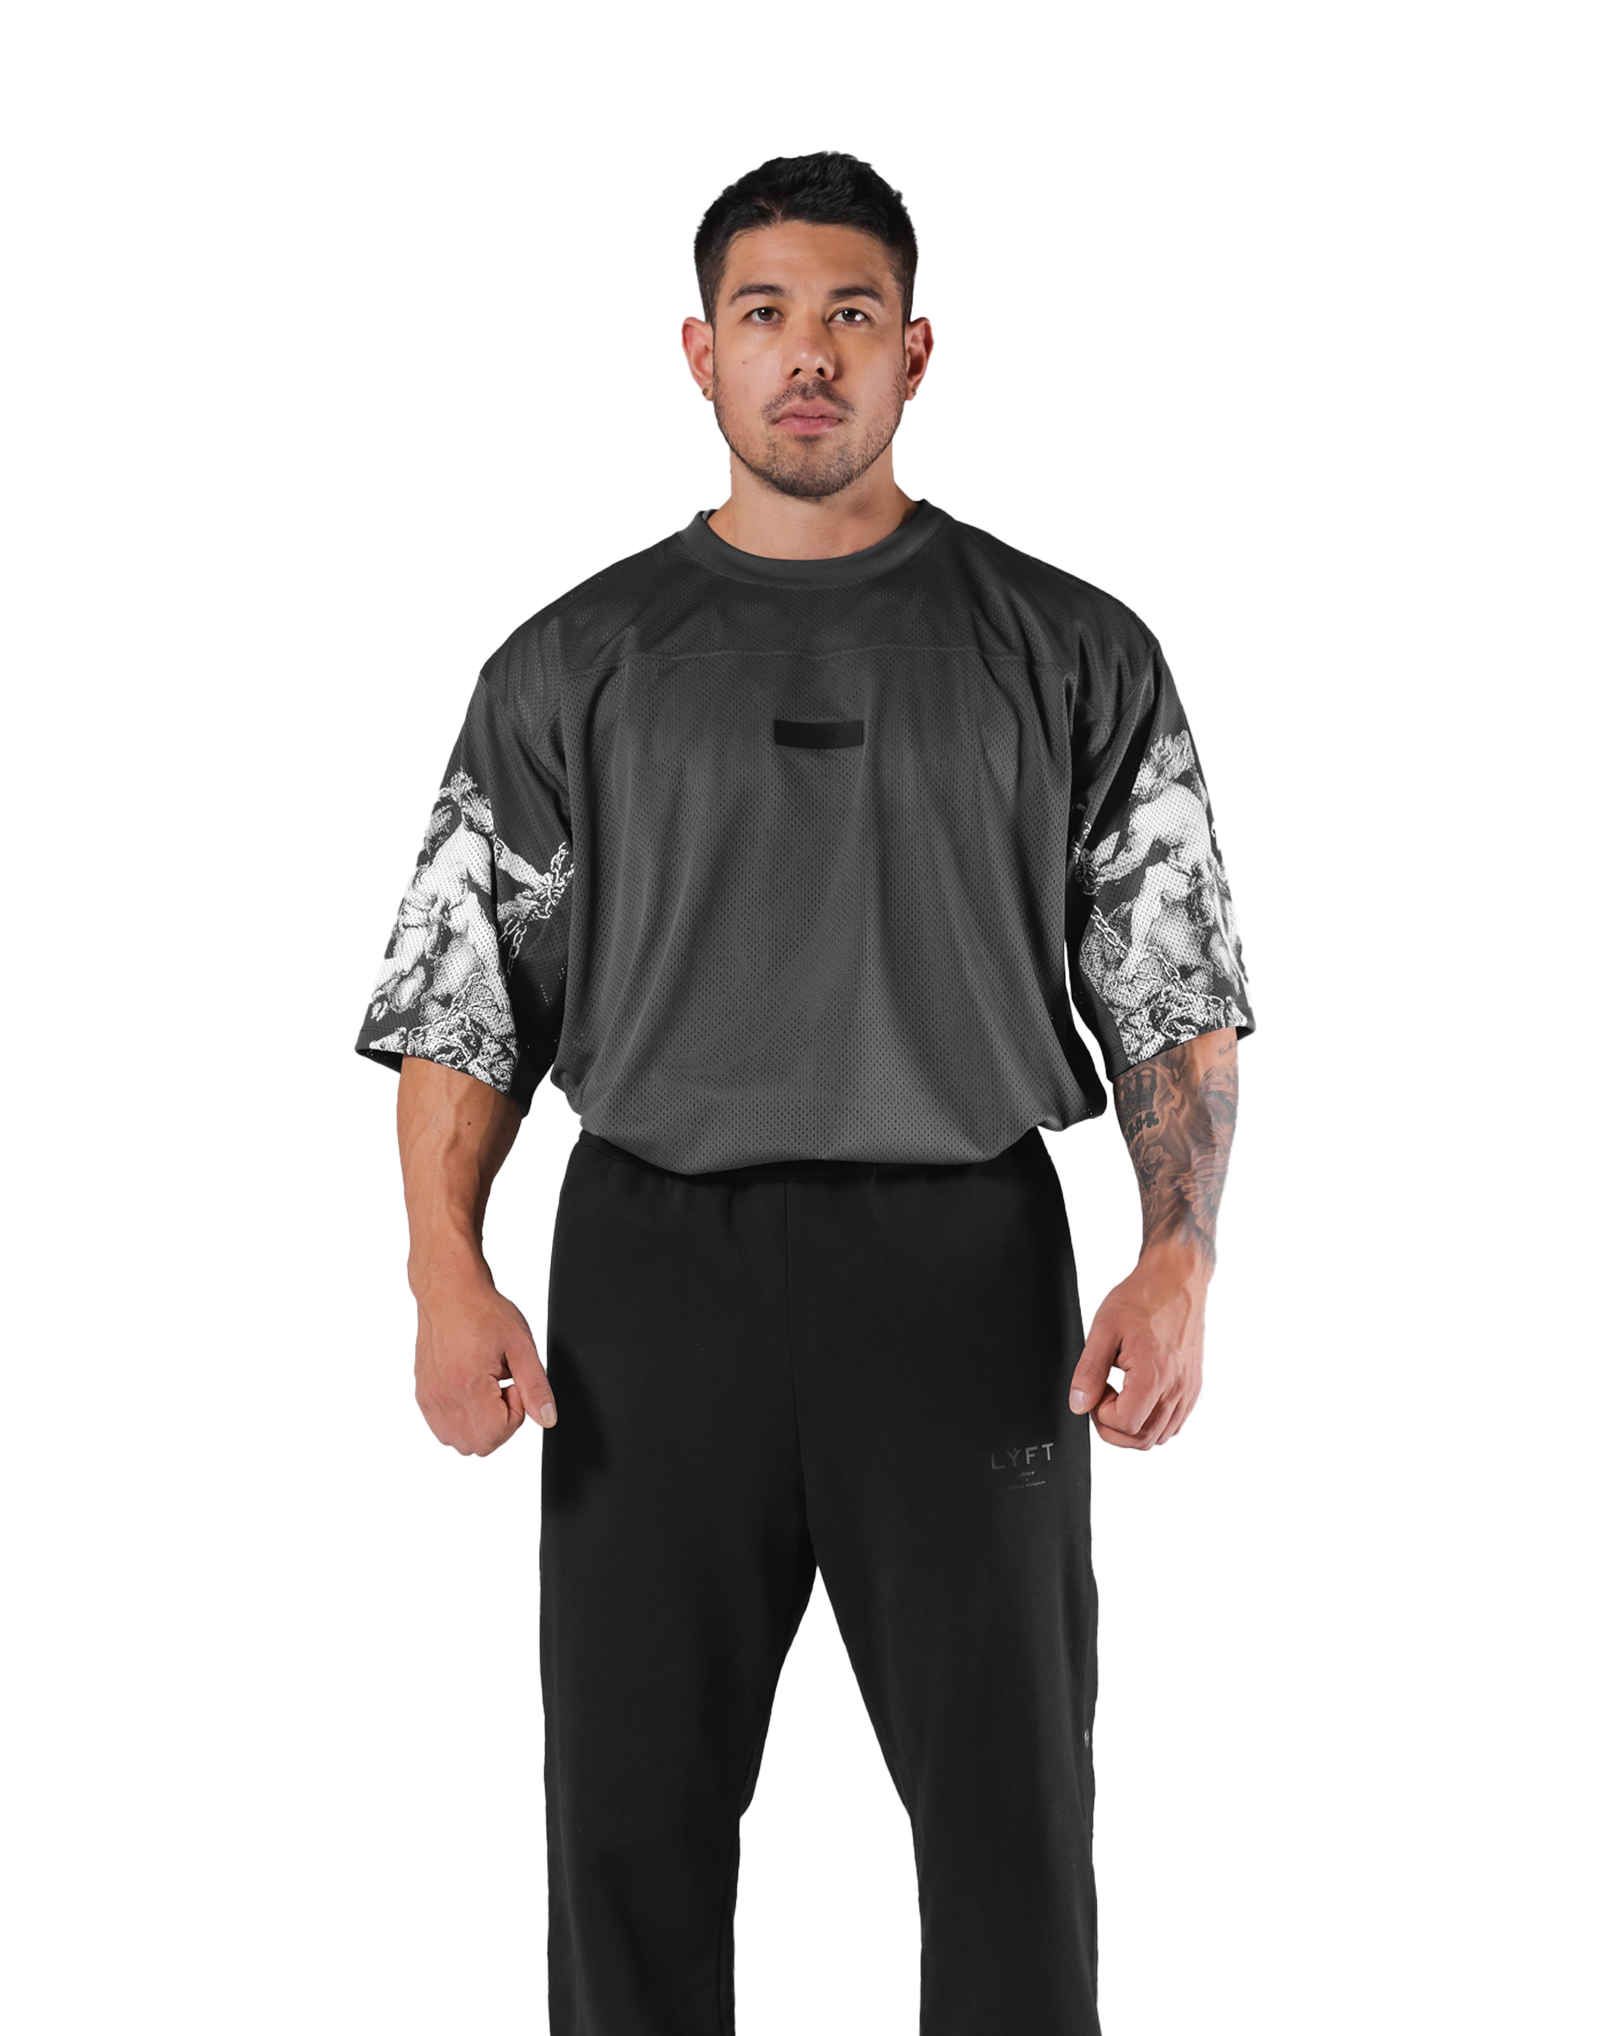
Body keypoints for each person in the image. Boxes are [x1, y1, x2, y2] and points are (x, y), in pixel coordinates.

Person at [351, 147, 1258, 2036]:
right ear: (700, 353)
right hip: (648, 1278)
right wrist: (445, 1266)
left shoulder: (1075, 647)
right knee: (628, 1827)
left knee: (1014, 1826)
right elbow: (466, 1000)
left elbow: (1170, 985)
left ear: (917, 351)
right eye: (764, 314)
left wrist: (1181, 1253)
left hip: (964, 1273)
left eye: (853, 314)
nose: (810, 355)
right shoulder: (570, 660)